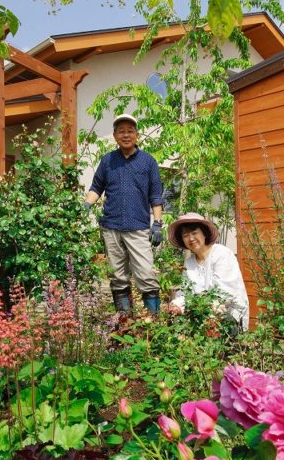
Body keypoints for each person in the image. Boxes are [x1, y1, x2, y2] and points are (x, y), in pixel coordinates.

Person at [85, 114, 163, 314]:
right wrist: (84, 206)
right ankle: (124, 324)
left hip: (138, 227)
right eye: (121, 131)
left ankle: (153, 326)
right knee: (118, 277)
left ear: (137, 134)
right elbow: (96, 187)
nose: (126, 134)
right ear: (114, 136)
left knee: (146, 275)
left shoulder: (148, 162)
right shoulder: (108, 161)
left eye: (130, 130)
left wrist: (157, 224)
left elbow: (156, 195)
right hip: (111, 227)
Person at [169, 212, 249, 330]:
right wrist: (176, 305)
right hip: (201, 315)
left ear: (204, 234)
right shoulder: (189, 262)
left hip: (229, 316)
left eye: (194, 233)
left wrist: (193, 305)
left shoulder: (221, 254)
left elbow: (224, 295)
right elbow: (186, 292)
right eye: (185, 235)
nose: (191, 238)